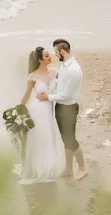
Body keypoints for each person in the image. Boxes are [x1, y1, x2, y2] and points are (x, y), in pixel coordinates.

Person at [37, 39, 87, 181]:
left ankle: (82, 169)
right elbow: (63, 82)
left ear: (62, 52)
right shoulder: (65, 65)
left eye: (56, 52)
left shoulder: (73, 69)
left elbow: (66, 95)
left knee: (70, 140)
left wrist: (48, 97)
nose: (55, 54)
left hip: (68, 108)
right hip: (61, 107)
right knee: (66, 140)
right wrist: (56, 76)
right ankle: (69, 169)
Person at [18, 46, 65, 184]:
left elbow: (62, 90)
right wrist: (19, 108)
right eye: (46, 56)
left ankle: (49, 166)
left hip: (49, 110)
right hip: (36, 111)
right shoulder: (32, 76)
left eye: (49, 54)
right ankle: (40, 168)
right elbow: (27, 93)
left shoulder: (56, 72)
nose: (50, 56)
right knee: (40, 138)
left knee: (49, 136)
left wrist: (50, 96)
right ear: (40, 60)